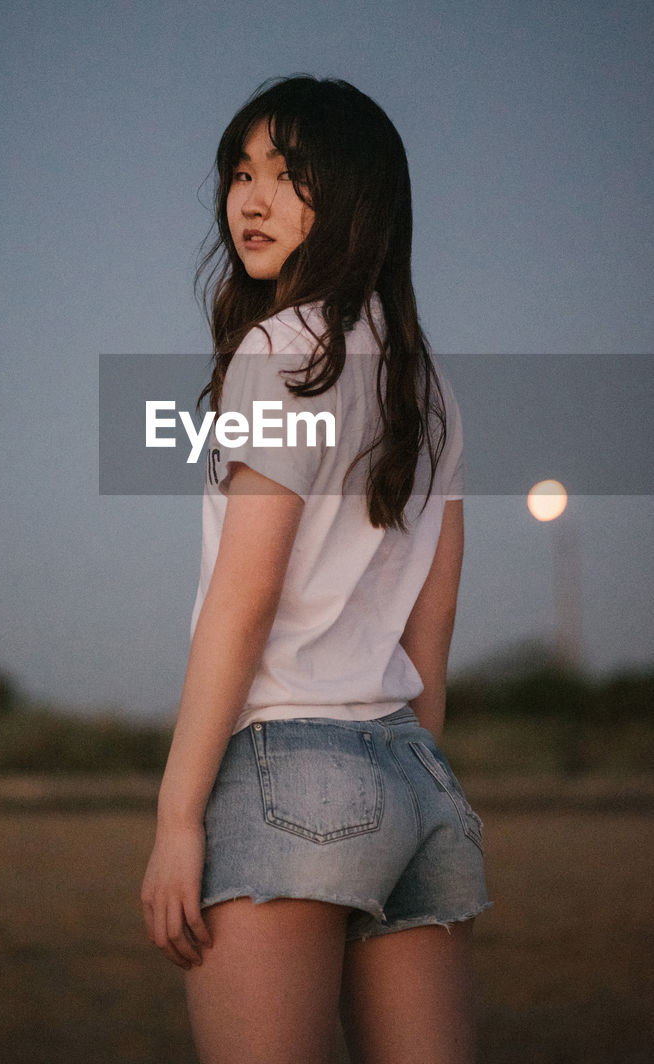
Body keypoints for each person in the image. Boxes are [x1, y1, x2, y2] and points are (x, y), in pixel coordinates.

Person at [141, 76, 490, 1064]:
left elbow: (241, 597)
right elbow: (437, 604)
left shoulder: (278, 350)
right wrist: (402, 771)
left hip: (286, 766)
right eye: (241, 173)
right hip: (416, 774)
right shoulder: (425, 380)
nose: (249, 201)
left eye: (289, 178)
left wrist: (176, 817)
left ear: (353, 198)